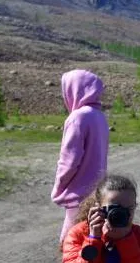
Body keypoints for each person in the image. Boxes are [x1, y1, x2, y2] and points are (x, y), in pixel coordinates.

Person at [50, 69, 110, 244]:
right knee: (91, 244)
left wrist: (59, 188)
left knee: (70, 245)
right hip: (97, 193)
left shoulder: (78, 118)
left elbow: (69, 161)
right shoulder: (99, 117)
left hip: (78, 196)